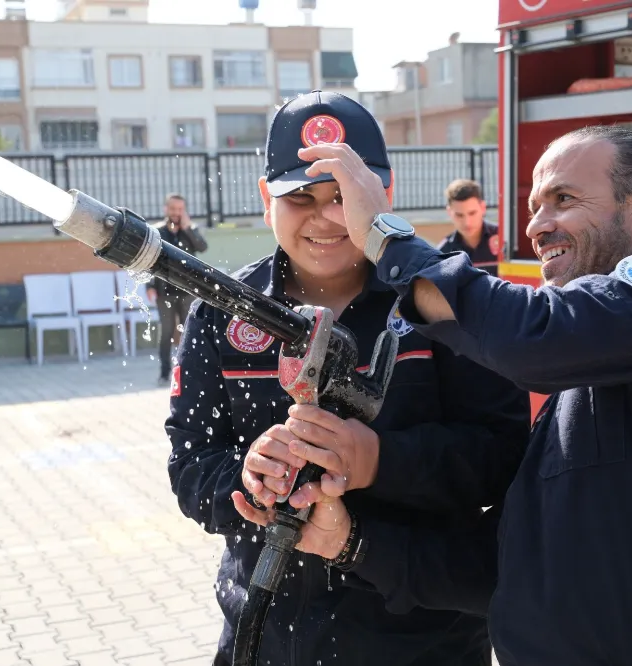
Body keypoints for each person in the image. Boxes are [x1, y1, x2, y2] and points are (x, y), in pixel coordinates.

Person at [236, 125, 632, 666]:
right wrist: (349, 541)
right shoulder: (578, 381)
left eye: (563, 199)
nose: (537, 225)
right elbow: (504, 565)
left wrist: (385, 236)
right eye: (534, 207)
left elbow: (536, 338)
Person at [165, 91, 531, 666]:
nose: (327, 217)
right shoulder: (223, 308)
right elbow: (188, 460)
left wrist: (375, 460)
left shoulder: (441, 300)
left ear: (383, 191)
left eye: (344, 195)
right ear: (266, 200)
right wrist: (246, 480)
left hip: (422, 641)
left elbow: (504, 459)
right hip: (261, 640)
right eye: (301, 197)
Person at [146, 194, 208, 384]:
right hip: (164, 291)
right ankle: (165, 373)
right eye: (173, 209)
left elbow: (202, 247)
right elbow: (149, 259)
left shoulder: (191, 230)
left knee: (188, 332)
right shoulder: (157, 231)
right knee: (166, 333)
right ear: (166, 209)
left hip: (187, 291)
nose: (176, 213)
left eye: (180, 209)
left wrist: (188, 228)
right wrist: (149, 285)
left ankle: (187, 372)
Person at [436, 179, 500, 276]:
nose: (467, 222)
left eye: (472, 213)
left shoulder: (504, 240)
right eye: (459, 215)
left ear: (483, 208)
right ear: (449, 212)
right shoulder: (444, 253)